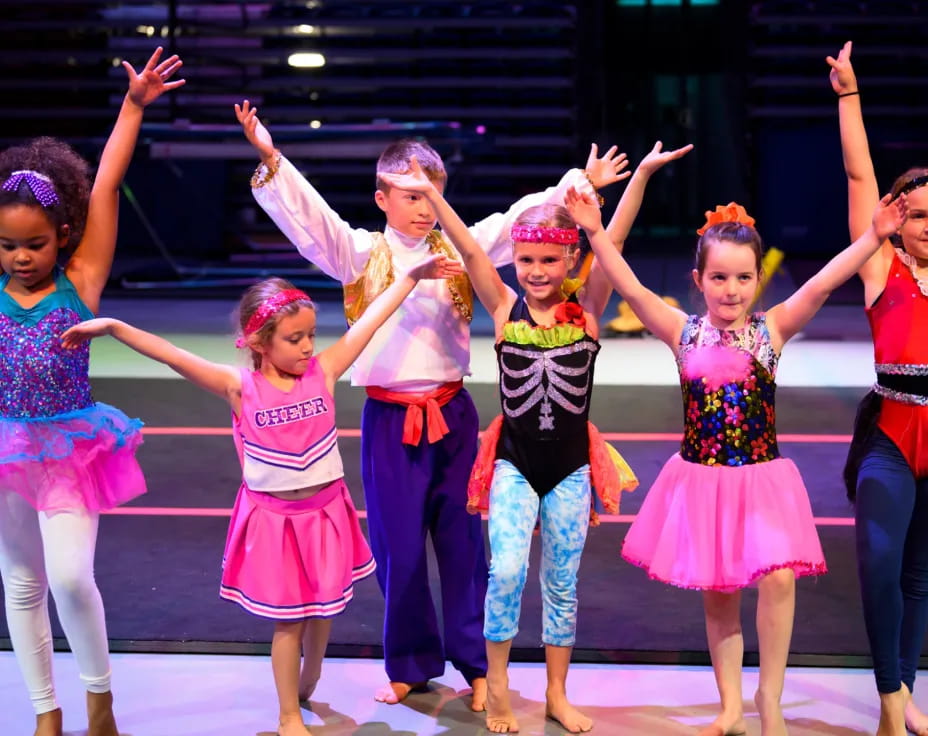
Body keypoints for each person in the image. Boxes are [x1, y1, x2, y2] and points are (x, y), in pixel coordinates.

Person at [234, 99, 630, 707]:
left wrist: (580, 182)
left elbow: (517, 220)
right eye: (411, 196)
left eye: (432, 195)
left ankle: (475, 663)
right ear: (382, 198)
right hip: (389, 419)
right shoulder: (360, 253)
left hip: (453, 416)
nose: (423, 208)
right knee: (398, 548)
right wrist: (271, 157)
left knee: (464, 546)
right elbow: (312, 218)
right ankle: (410, 664)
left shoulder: (461, 250)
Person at [61, 255, 462, 736]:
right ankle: (288, 714)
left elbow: (371, 321)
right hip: (276, 520)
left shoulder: (323, 371)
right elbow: (172, 355)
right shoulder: (239, 387)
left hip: (325, 513)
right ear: (258, 342)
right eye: (294, 339)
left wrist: (411, 277)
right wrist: (114, 327)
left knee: (325, 608)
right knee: (289, 621)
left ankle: (311, 675)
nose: (308, 346)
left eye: (311, 335)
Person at [378, 141, 690, 733]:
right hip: (514, 467)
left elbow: (613, 242)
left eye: (550, 261)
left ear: (571, 261)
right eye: (526, 261)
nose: (537, 272)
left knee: (561, 584)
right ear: (515, 262)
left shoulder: (588, 309)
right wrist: (434, 197)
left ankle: (556, 693)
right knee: (506, 573)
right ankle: (497, 685)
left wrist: (641, 177)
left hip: (570, 469)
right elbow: (472, 250)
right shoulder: (503, 309)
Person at [585, 193, 906, 736]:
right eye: (718, 278)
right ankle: (731, 706)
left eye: (742, 278)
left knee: (779, 579)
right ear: (699, 279)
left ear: (758, 279)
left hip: (761, 480)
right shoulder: (682, 331)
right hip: (703, 481)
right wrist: (596, 233)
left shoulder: (770, 330)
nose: (730, 290)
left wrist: (874, 237)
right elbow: (631, 287)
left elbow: (822, 283)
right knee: (720, 593)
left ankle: (768, 697)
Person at [0, 48, 183, 736]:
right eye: (7, 245)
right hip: (7, 444)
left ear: (62, 236)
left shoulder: (81, 281)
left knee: (71, 578)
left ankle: (99, 702)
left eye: (34, 244)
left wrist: (132, 106)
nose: (21, 257)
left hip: (70, 445)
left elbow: (105, 185)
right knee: (22, 585)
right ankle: (45, 713)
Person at [827, 40, 928, 736]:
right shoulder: (880, 268)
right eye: (918, 215)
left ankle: (905, 694)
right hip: (890, 434)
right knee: (881, 565)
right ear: (900, 220)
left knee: (920, 575)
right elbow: (860, 174)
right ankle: (889, 693)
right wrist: (849, 95)